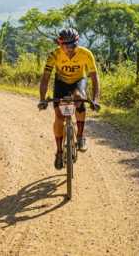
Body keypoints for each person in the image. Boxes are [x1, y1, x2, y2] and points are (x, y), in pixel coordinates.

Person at [38, 28, 101, 170]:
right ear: (60, 44)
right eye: (66, 45)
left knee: (79, 99)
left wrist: (95, 99)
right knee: (59, 118)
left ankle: (80, 136)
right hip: (61, 83)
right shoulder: (54, 55)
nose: (70, 48)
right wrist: (42, 99)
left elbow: (94, 78)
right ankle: (59, 152)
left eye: (73, 44)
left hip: (78, 81)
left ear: (77, 42)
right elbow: (45, 78)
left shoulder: (86, 54)